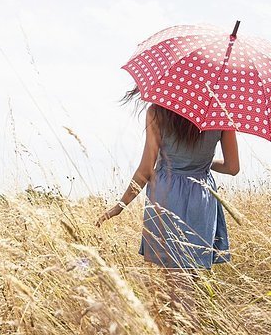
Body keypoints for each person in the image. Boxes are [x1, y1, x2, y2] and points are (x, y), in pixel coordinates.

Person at [95, 86, 240, 333]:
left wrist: (119, 207)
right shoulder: (221, 115)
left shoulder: (157, 112)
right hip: (201, 199)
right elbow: (233, 167)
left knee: (177, 286)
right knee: (187, 282)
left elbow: (144, 171)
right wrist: (204, 164)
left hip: (166, 197)